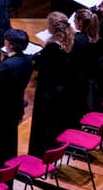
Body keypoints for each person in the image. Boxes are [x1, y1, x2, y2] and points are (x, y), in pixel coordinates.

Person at [0, 29, 34, 169]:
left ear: (10, 45)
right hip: (15, 106)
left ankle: (1, 175)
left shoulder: (7, 65)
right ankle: (9, 174)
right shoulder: (28, 60)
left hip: (1, 111)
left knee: (0, 148)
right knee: (11, 143)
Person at [28, 12, 74, 158]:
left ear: (53, 27)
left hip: (47, 90)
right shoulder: (68, 40)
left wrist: (36, 59)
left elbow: (42, 66)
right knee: (52, 122)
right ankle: (51, 150)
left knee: (42, 123)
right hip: (59, 87)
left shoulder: (53, 46)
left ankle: (38, 154)